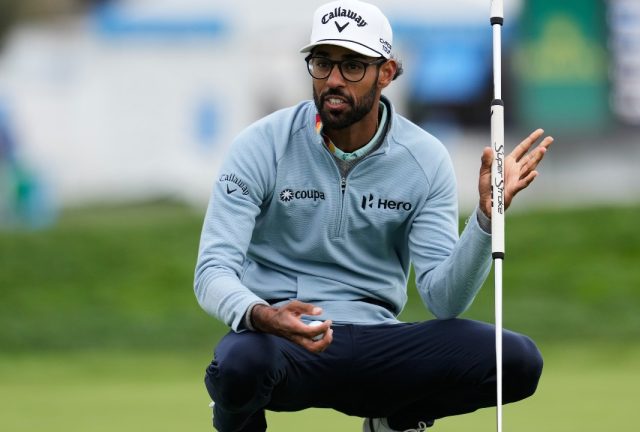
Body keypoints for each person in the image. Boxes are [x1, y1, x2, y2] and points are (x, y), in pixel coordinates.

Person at [194, 1, 553, 431]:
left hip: (380, 344)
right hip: (281, 338)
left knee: (516, 360)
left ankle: (397, 418)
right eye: (322, 63)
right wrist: (262, 315)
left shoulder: (424, 158)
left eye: (352, 66)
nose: (333, 80)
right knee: (238, 364)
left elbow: (443, 298)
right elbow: (213, 271)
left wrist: (485, 219)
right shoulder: (260, 145)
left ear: (386, 72)